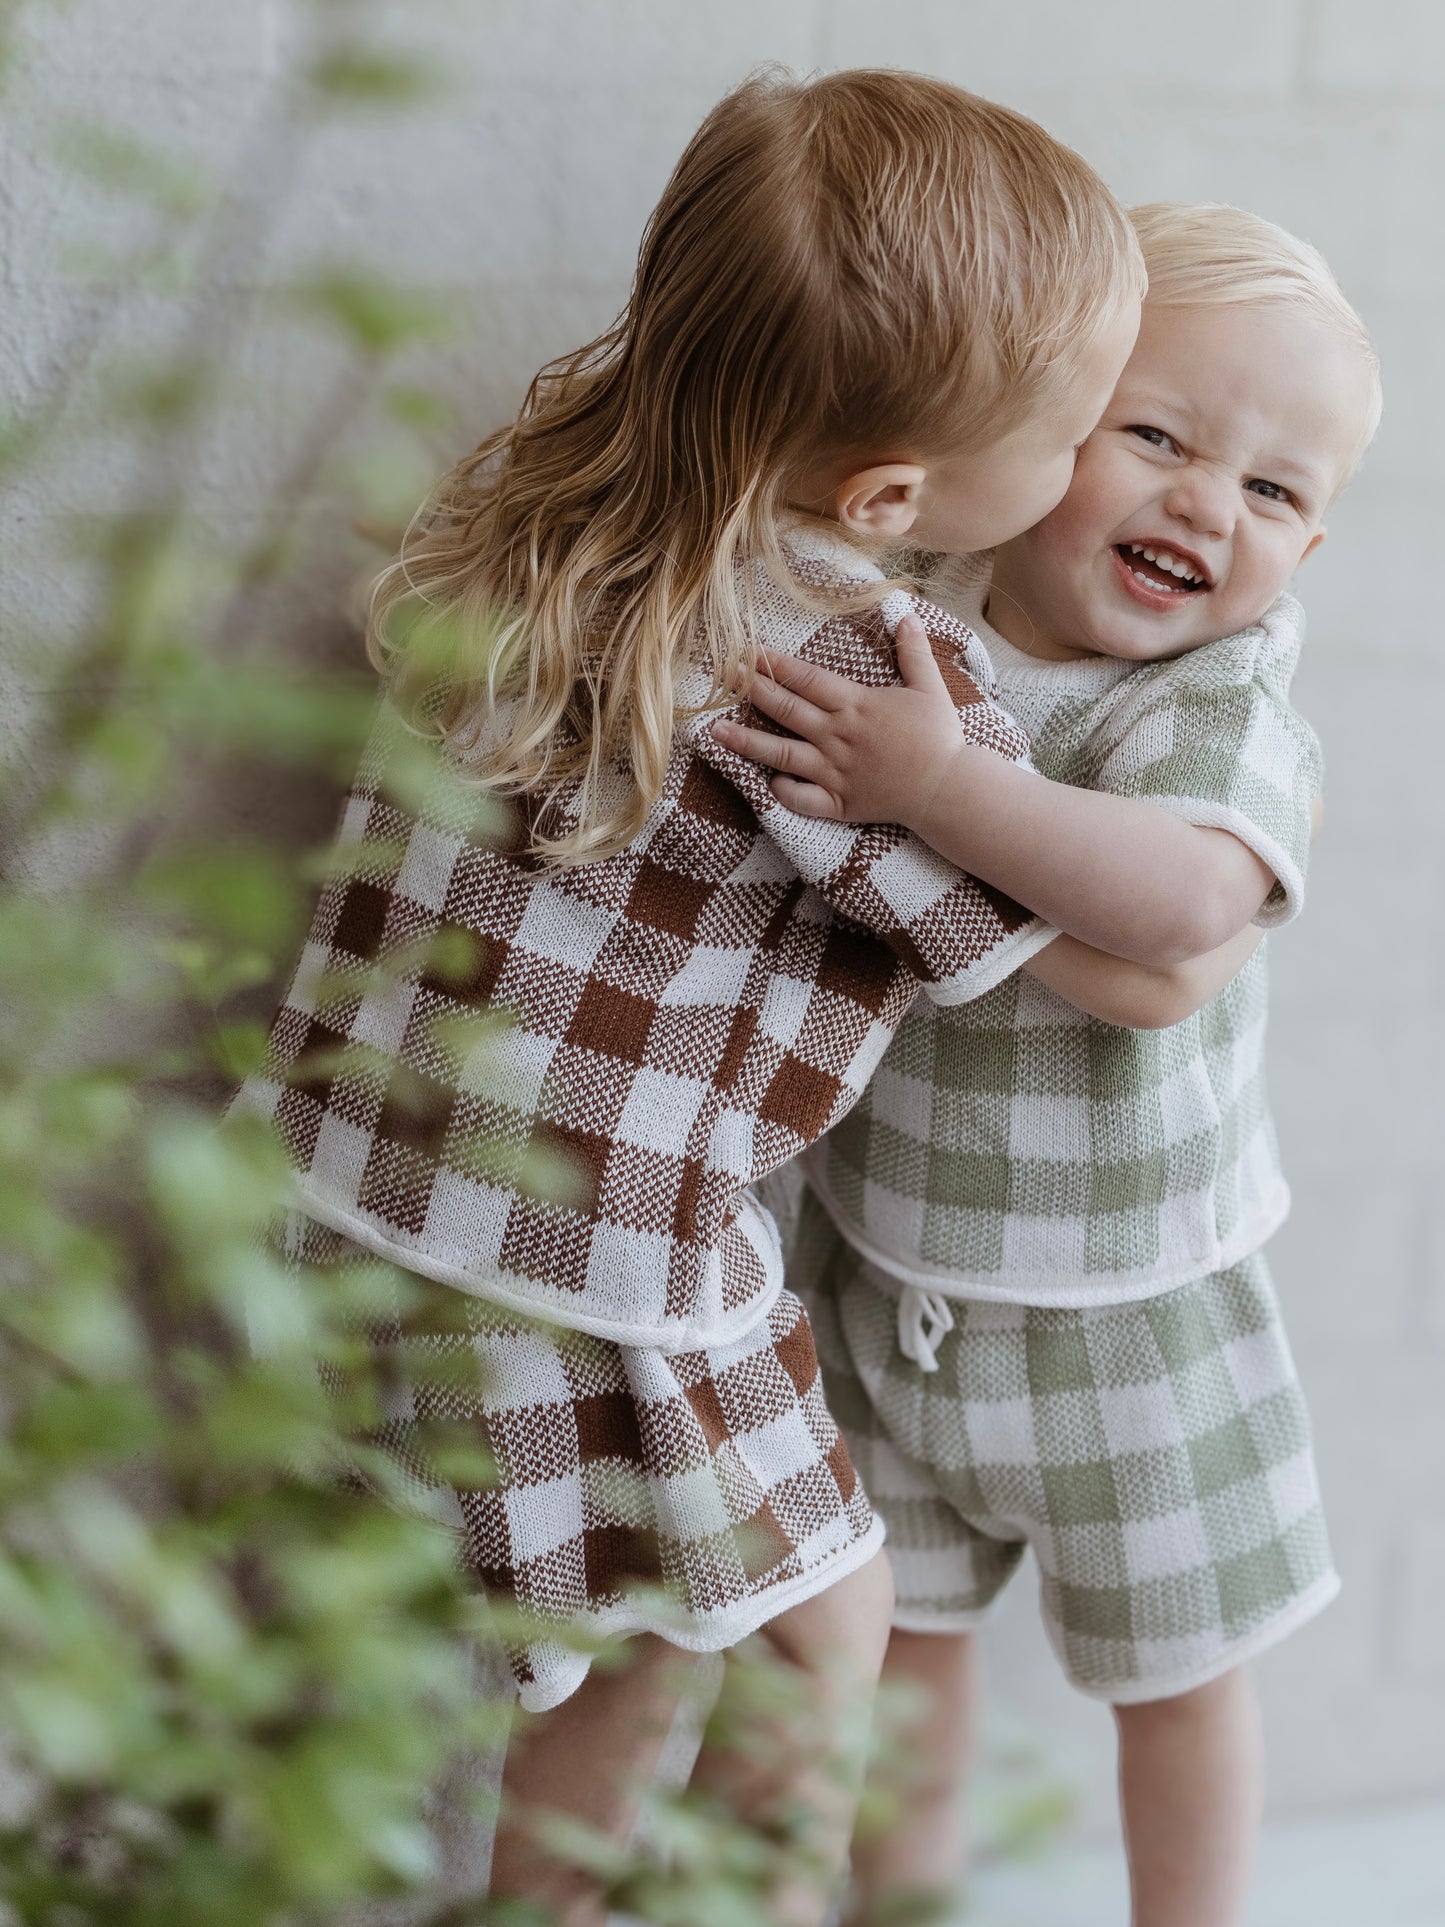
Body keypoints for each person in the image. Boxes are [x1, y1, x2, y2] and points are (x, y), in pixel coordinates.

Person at [231, 67, 1152, 1927]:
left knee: (627, 1623)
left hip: (354, 1194)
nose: (1087, 467)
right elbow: (1097, 967)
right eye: (1075, 436)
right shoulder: (872, 685)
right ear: (889, 497)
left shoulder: (533, 490)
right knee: (830, 1622)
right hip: (597, 1268)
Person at [715, 201, 1381, 1927]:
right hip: (884, 1269)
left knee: (1174, 1673)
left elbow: (1176, 910)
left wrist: (933, 790)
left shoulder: (1219, 700)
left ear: (1307, 555)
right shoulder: (922, 606)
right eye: (1153, 436)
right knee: (906, 1639)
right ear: (1034, 427)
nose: (1203, 507)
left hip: (1129, 1316)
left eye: (1274, 491)